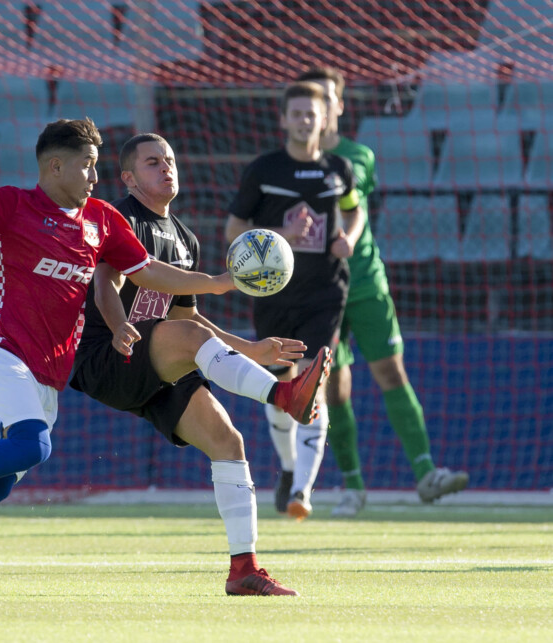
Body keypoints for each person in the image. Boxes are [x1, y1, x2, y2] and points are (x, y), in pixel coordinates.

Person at [0, 118, 248, 594]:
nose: (94, 176)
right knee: (34, 446)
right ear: (55, 166)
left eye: (97, 166)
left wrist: (215, 282)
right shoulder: (15, 206)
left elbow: (148, 271)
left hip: (47, 378)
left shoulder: (103, 219)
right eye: (87, 166)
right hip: (1, 356)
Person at [69, 133, 331, 596]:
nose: (166, 167)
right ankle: (284, 395)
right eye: (152, 163)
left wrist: (253, 349)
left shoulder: (184, 237)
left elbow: (189, 320)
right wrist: (116, 325)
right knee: (189, 341)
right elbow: (104, 283)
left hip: (157, 359)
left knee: (229, 441)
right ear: (128, 177)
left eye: (169, 159)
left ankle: (244, 569)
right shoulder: (121, 217)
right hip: (108, 357)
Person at [295, 67, 468, 517]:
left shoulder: (357, 156)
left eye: (328, 99)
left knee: (391, 373)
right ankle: (352, 486)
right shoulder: (286, 166)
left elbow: (347, 205)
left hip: (364, 282)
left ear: (338, 105)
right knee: (332, 389)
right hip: (318, 289)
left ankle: (426, 472)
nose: (320, 109)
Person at [225, 82, 364, 521]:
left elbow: (354, 209)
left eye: (313, 114)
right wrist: (280, 239)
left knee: (312, 384)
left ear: (326, 120)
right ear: (283, 119)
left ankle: (303, 492)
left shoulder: (339, 169)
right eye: (298, 113)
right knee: (280, 387)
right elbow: (233, 231)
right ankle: (288, 468)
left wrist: (349, 238)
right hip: (273, 294)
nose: (306, 120)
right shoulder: (264, 170)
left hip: (325, 293)